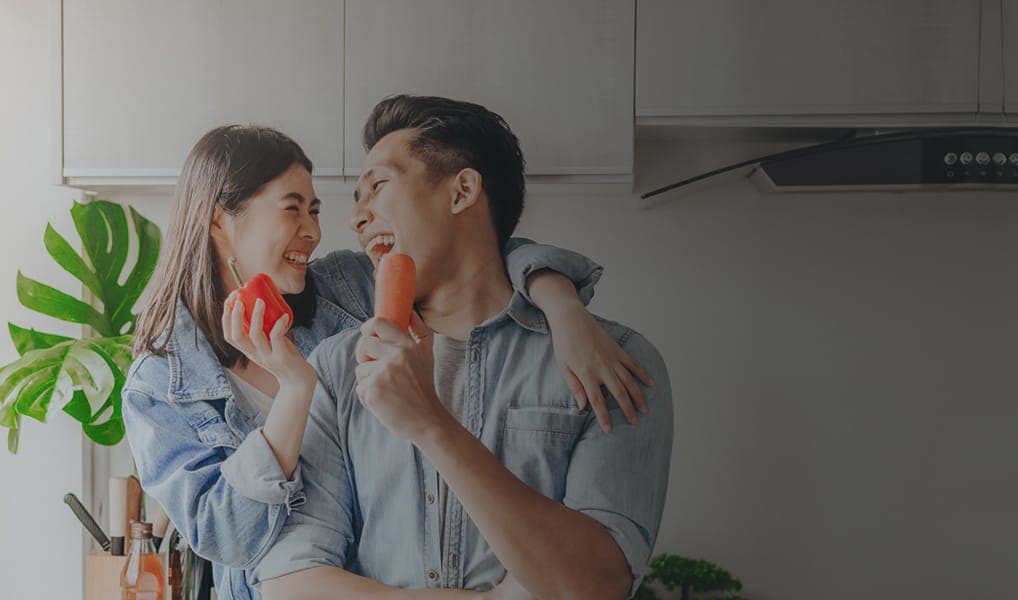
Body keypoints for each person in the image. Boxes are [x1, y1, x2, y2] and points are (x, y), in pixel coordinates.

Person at [123, 125, 650, 600]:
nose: (313, 229)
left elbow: (477, 251)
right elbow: (230, 538)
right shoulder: (159, 384)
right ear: (219, 219)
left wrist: (562, 305)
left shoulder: (345, 287)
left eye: (315, 210)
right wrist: (297, 389)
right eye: (292, 208)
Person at [255, 95, 673, 599]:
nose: (356, 218)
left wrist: (430, 425)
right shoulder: (337, 367)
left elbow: (597, 586)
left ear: (462, 192)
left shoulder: (612, 360)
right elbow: (289, 583)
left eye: (378, 187)